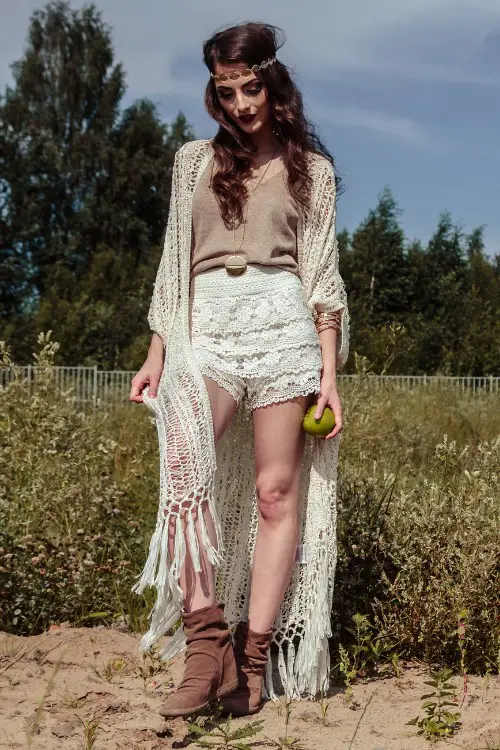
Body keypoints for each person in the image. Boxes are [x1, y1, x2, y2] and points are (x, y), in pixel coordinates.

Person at [128, 21, 350, 719]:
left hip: (283, 325)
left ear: (273, 82)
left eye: (252, 87)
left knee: (276, 493)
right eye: (228, 92)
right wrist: (158, 349)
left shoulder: (311, 169)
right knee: (185, 474)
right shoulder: (192, 161)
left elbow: (321, 277)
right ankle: (205, 647)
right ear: (215, 96)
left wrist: (330, 375)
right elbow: (173, 263)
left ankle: (250, 665)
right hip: (208, 328)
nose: (242, 103)